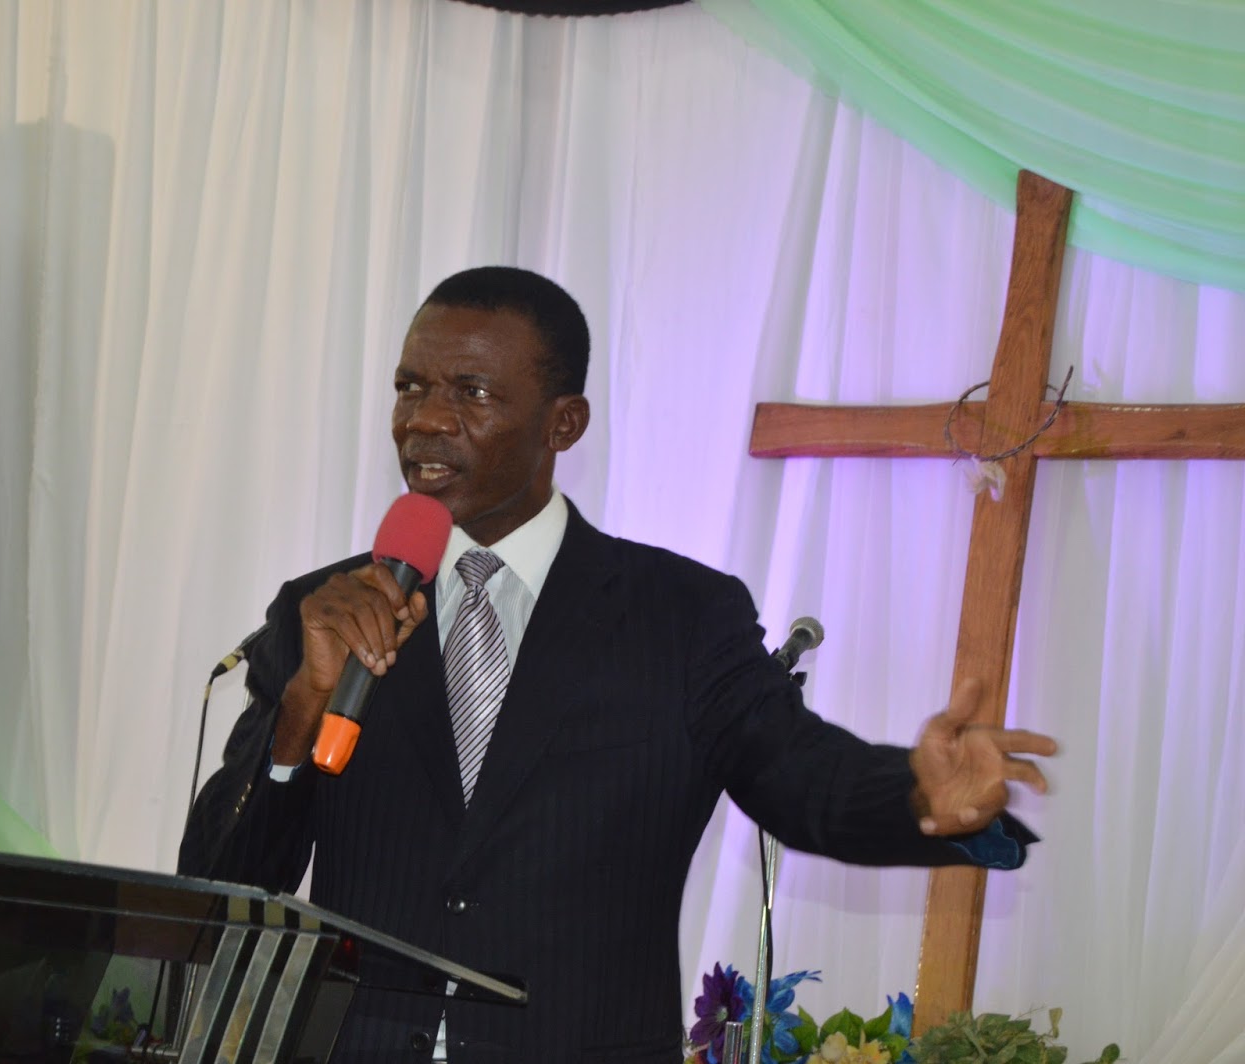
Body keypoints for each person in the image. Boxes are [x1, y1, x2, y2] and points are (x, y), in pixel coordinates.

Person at [177, 266, 1056, 1063]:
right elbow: (218, 894)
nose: (425, 420)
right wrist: (302, 710)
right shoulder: (324, 612)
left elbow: (802, 779)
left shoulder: (680, 617)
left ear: (564, 423)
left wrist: (918, 794)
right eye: (411, 387)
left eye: (471, 392)